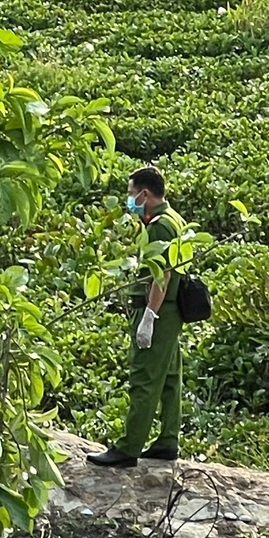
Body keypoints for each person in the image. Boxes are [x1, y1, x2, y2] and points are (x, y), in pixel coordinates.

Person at [88, 166, 187, 468]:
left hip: (159, 311)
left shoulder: (159, 225)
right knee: (169, 377)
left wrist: (149, 317)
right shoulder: (175, 219)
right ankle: (168, 440)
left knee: (144, 379)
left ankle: (129, 448)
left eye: (132, 194)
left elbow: (162, 275)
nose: (130, 200)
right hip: (173, 312)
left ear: (145, 193)